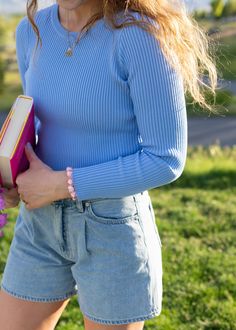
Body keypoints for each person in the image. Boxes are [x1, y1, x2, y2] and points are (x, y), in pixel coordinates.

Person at [0, 0, 218, 329]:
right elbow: (43, 125)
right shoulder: (32, 30)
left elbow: (166, 158)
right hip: (39, 225)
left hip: (112, 229)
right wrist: (13, 177)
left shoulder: (141, 36)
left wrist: (60, 184)